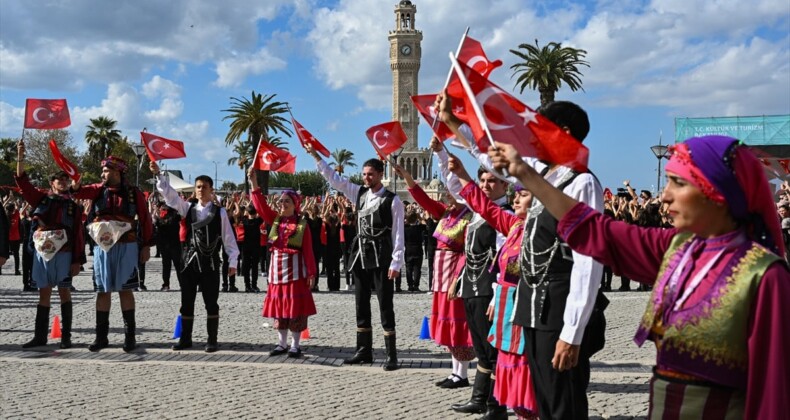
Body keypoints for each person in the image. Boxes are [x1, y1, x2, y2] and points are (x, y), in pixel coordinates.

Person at [490, 135, 790, 419]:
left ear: (717, 193)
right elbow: (596, 231)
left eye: (677, 182)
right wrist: (525, 174)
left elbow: (773, 395)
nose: (664, 195)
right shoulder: (676, 249)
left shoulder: (764, 277)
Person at [437, 93, 605, 420]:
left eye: (539, 129)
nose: (530, 137)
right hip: (532, 305)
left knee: (562, 400)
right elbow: (494, 160)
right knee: (544, 396)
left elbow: (588, 261)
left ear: (565, 132)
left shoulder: (581, 183)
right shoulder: (544, 177)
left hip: (559, 304)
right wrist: (453, 123)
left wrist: (573, 331)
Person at [447, 154, 539, 419]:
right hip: (503, 297)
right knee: (497, 353)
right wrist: (463, 173)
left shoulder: (539, 230)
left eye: (521, 196)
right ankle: (496, 405)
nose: (515, 200)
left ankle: (518, 406)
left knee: (516, 358)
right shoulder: (514, 225)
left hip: (521, 303)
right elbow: (485, 208)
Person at [305, 142, 405, 371]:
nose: (366, 178)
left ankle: (391, 355)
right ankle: (364, 351)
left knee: (385, 304)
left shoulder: (393, 200)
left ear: (380, 174)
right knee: (361, 303)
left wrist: (396, 261)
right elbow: (335, 180)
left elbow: (398, 233)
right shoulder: (358, 193)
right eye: (364, 174)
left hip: (382, 257)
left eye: (370, 174)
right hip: (360, 255)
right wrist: (315, 156)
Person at [433, 138, 510, 415]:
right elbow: (455, 185)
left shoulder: (504, 213)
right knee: (479, 345)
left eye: (493, 181)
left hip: (489, 290)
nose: (487, 185)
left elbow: (505, 259)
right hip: (471, 286)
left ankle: (495, 404)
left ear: (505, 186)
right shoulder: (478, 210)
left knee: (491, 348)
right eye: (484, 181)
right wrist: (443, 154)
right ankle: (479, 399)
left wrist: (499, 295)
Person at [392, 159, 475, 389]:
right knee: (446, 324)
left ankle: (463, 374)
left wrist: (458, 280)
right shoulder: (446, 214)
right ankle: (454, 371)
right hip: (441, 277)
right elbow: (423, 199)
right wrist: (407, 176)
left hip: (454, 277)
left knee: (458, 323)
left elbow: (468, 253)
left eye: (451, 192)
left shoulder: (469, 218)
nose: (447, 196)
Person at [152, 162, 239, 353]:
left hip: (210, 263)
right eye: (198, 187)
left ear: (211, 189)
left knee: (211, 302)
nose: (200, 190)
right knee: (186, 301)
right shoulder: (187, 208)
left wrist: (233, 261)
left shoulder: (220, 212)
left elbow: (229, 239)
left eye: (204, 187)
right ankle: (185, 339)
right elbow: (171, 196)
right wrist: (159, 175)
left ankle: (212, 340)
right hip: (189, 262)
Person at [71, 156, 153, 352]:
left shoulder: (134, 193)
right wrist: (75, 185)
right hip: (103, 248)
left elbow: (145, 218)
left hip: (127, 246)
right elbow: (79, 192)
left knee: (126, 290)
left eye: (106, 171)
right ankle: (101, 337)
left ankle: (130, 337)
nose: (103, 174)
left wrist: (147, 245)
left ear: (117, 172)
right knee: (102, 290)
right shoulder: (99, 190)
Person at [14, 140, 84, 349]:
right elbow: (22, 181)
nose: (62, 181)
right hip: (43, 254)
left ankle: (66, 337)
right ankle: (39, 336)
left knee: (64, 292)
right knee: (43, 293)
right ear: (52, 183)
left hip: (64, 254)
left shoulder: (73, 206)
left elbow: (79, 234)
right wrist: (20, 156)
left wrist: (78, 261)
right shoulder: (41, 199)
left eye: (65, 179)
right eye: (58, 179)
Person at [248, 168, 317, 357]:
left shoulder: (302, 224)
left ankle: (295, 344)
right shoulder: (276, 220)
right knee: (280, 308)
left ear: (295, 204)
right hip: (277, 272)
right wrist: (254, 183)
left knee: (295, 309)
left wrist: (311, 272)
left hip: (295, 273)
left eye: (287, 201)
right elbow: (261, 207)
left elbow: (309, 250)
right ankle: (281, 343)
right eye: (281, 201)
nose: (283, 204)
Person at [153, 201, 183, 291]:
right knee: (172, 265)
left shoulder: (171, 216)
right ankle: (170, 284)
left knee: (172, 265)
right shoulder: (171, 216)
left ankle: (168, 285)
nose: (162, 209)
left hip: (171, 244)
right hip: (169, 244)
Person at [240, 204, 263, 293]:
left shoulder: (244, 220)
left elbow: (241, 213)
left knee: (246, 266)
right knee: (254, 267)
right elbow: (261, 213)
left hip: (246, 246)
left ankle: (247, 286)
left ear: (247, 212)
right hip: (256, 246)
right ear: (255, 212)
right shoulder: (258, 221)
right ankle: (254, 285)